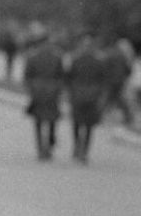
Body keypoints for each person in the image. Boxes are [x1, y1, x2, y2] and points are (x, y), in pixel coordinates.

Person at [23, 27, 64, 160]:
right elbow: (61, 75)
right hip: (52, 91)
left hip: (38, 91)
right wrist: (58, 88)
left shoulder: (32, 56)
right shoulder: (57, 56)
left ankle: (41, 148)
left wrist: (32, 89)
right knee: (51, 120)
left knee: (39, 122)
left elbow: (27, 76)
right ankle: (48, 145)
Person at [66, 34, 106, 163]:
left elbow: (69, 78)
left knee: (79, 123)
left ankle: (79, 148)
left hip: (79, 94)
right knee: (87, 125)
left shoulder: (76, 60)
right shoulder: (98, 61)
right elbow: (103, 80)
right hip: (90, 96)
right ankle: (83, 150)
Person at [103, 38, 135, 125]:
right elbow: (128, 70)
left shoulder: (110, 55)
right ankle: (128, 118)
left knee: (108, 100)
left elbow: (105, 68)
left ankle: (101, 117)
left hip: (111, 82)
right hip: (120, 82)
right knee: (120, 100)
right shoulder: (123, 57)